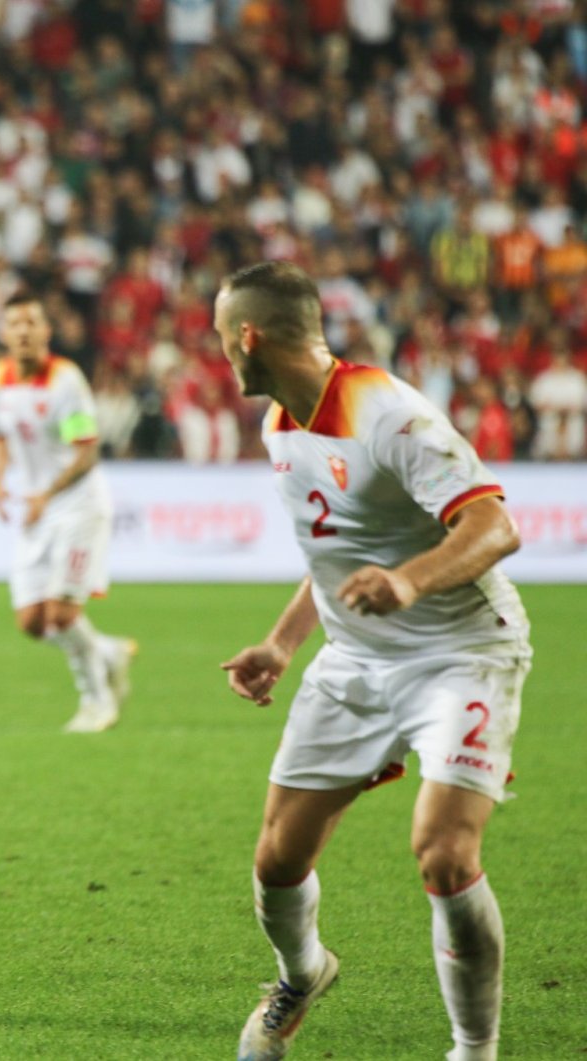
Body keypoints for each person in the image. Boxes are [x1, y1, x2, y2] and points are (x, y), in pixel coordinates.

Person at [214, 261, 531, 1061]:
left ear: (249, 336)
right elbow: (333, 553)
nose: (221, 354)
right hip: (356, 662)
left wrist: (409, 579)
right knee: (278, 859)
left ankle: (474, 1048)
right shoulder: (282, 424)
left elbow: (494, 527)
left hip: (462, 650)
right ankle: (303, 972)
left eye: (223, 339)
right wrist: (281, 644)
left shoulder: (388, 412)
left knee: (445, 851)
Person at [0, 291, 135, 734]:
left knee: (60, 616)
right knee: (30, 622)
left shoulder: (65, 382)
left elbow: (86, 452)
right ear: (4, 333)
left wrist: (47, 494)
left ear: (47, 331)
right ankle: (107, 652)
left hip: (78, 505)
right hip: (34, 508)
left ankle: (97, 701)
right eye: (15, 323)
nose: (23, 331)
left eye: (32, 322)